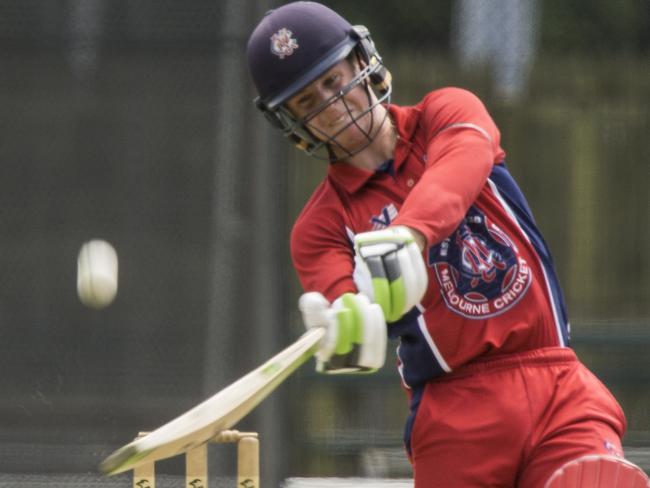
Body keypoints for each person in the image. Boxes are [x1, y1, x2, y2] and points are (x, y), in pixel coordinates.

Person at [246, 2, 649, 487]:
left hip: (557, 382)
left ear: (362, 62)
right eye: (307, 101)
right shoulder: (319, 227)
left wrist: (408, 235)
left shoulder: (446, 111)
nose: (333, 105)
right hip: (455, 410)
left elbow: (462, 161)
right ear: (293, 124)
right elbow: (351, 318)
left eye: (333, 80)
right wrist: (348, 326)